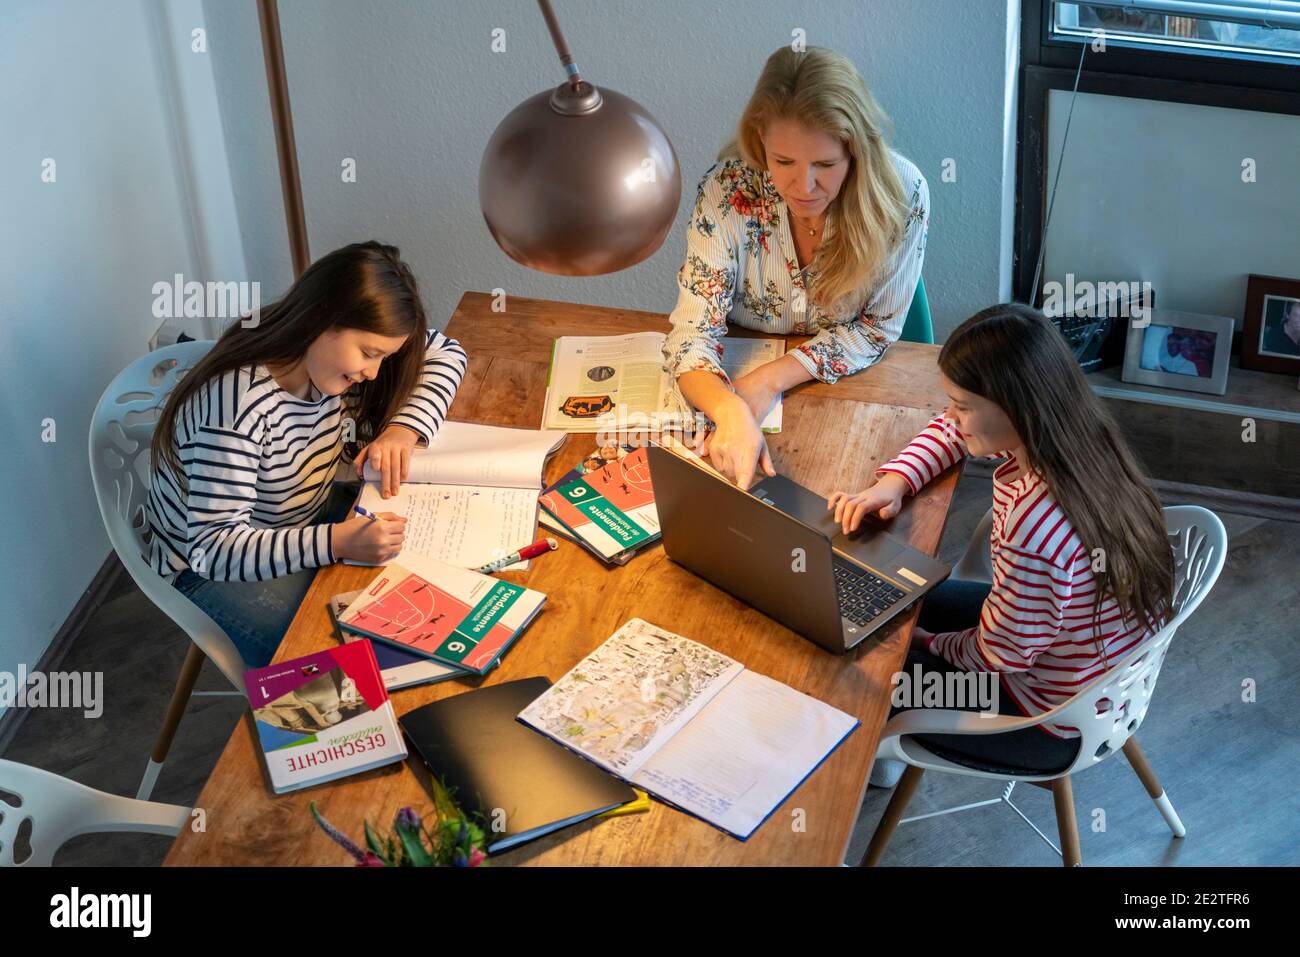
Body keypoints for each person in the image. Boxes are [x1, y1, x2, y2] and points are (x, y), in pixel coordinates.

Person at [827, 303, 1175, 785]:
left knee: (854, 671)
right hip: (1090, 664)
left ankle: (878, 754)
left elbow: (1001, 657)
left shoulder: (1034, 527)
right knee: (887, 597)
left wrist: (928, 643)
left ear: (1016, 404)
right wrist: (896, 480)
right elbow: (954, 429)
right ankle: (885, 735)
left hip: (1038, 715)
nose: (951, 415)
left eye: (963, 405)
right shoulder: (1077, 434)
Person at [144, 241, 468, 667]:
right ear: (320, 320)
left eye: (383, 357)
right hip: (203, 568)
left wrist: (403, 430)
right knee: (349, 668)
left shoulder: (317, 364)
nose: (373, 373)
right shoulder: (238, 406)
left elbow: (449, 351)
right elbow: (214, 548)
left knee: (427, 617)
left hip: (297, 519)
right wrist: (336, 542)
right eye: (369, 353)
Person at [662, 45, 929, 489]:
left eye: (825, 164)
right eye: (783, 162)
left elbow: (876, 329)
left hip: (850, 392)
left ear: (856, 151)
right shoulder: (727, 188)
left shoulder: (903, 193)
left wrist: (769, 381)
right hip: (737, 380)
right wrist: (729, 410)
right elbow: (692, 334)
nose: (803, 186)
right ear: (759, 138)